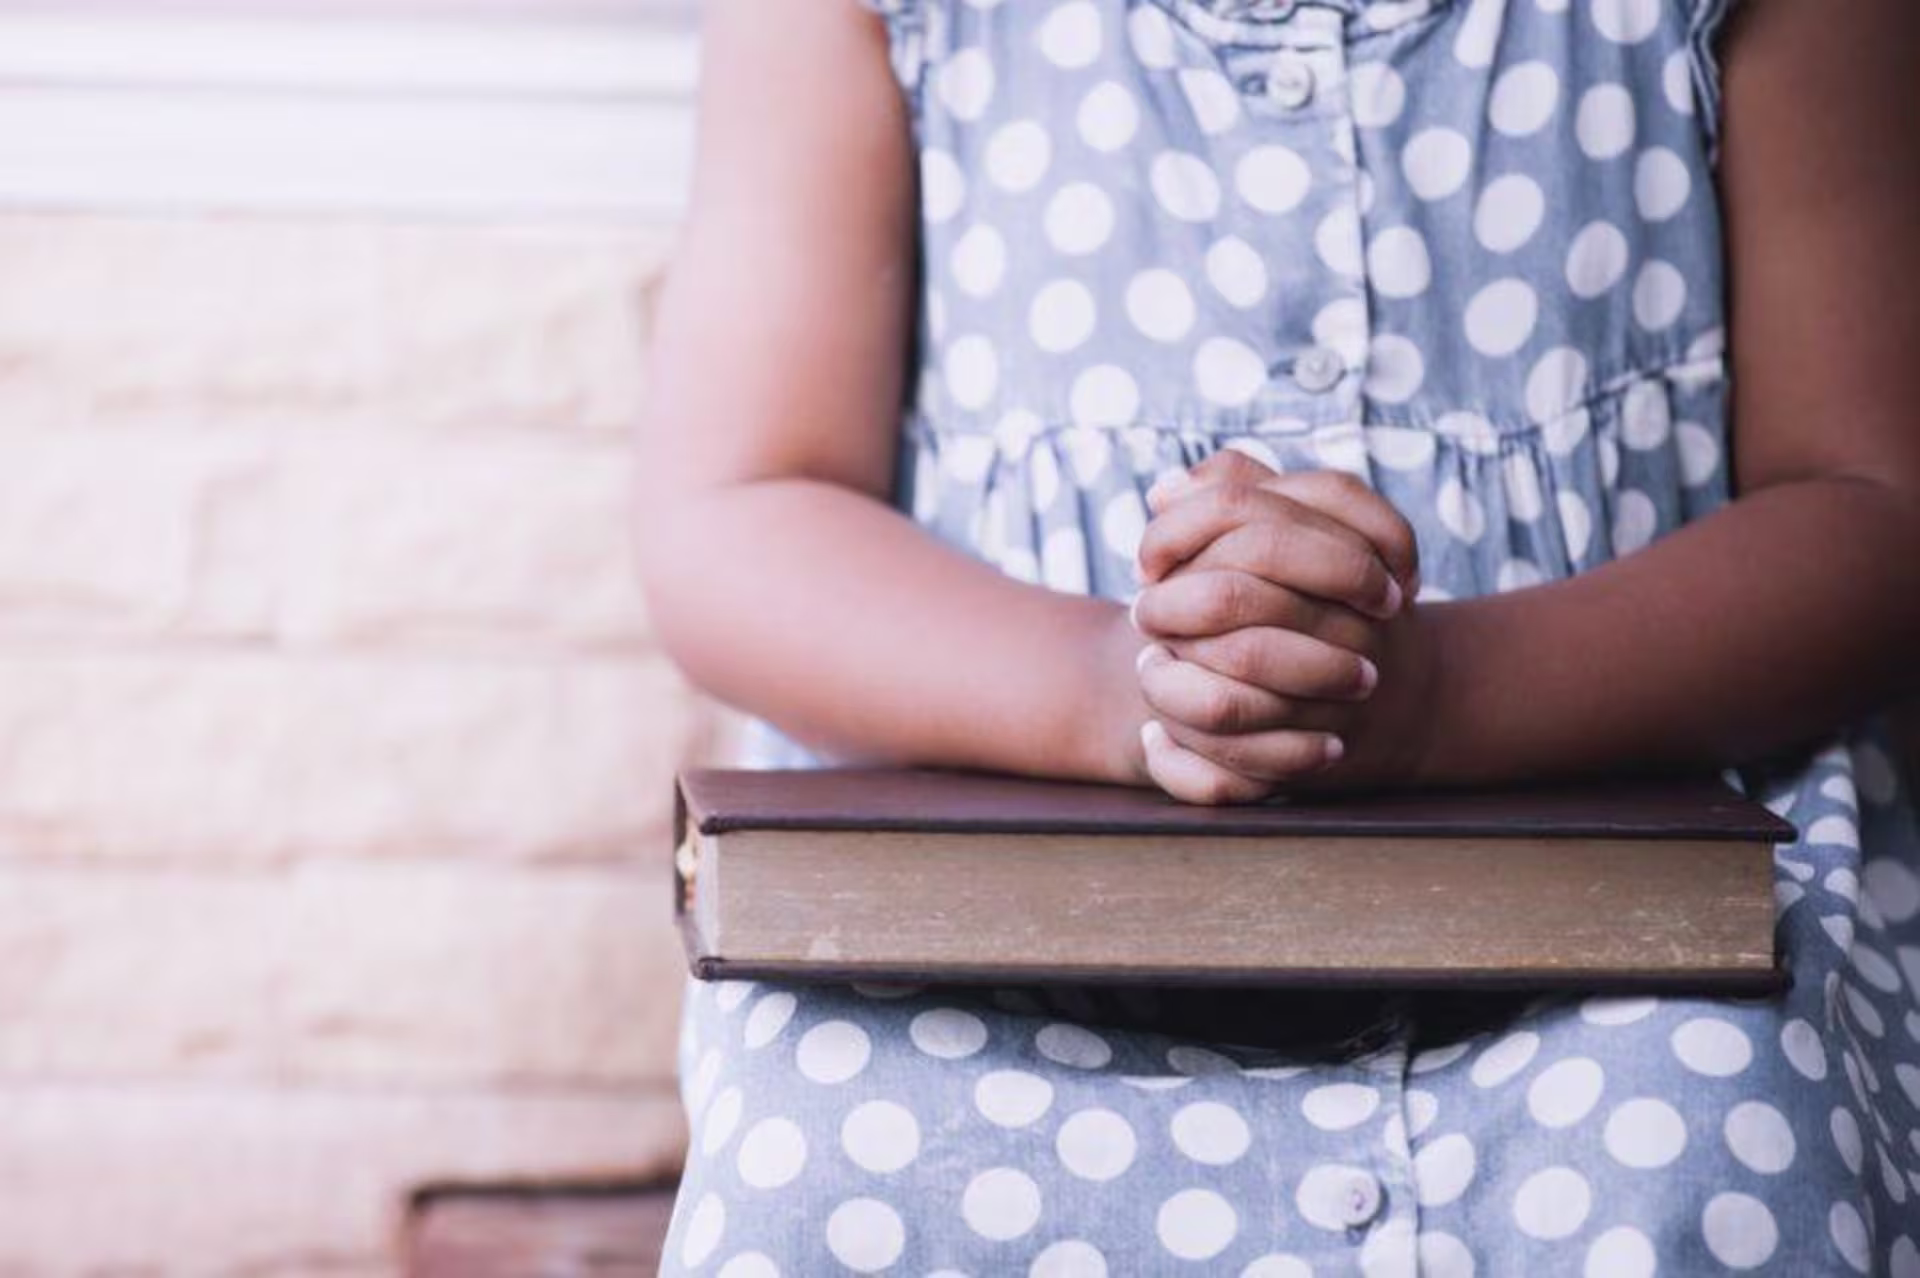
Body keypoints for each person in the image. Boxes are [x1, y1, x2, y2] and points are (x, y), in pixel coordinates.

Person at [635, 0, 1920, 1271]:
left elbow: (1871, 511)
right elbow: (740, 511)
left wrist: (1438, 701)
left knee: (1714, 1130)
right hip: (980, 928)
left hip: (1641, 887)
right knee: (830, 1170)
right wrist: (1118, 689)